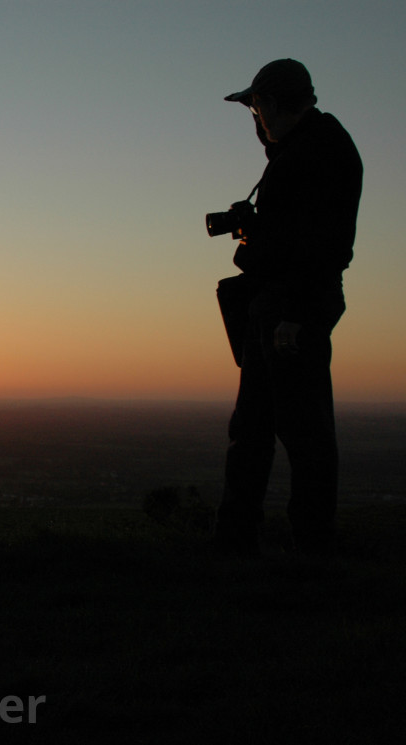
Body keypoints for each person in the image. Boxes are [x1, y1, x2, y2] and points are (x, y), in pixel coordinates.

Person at [214, 59, 363, 556]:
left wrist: (297, 315)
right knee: (252, 430)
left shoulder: (320, 152)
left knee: (305, 435)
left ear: (273, 104)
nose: (255, 120)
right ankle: (238, 541)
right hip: (274, 306)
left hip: (290, 312)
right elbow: (298, 234)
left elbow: (329, 246)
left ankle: (313, 549)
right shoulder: (304, 148)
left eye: (257, 108)